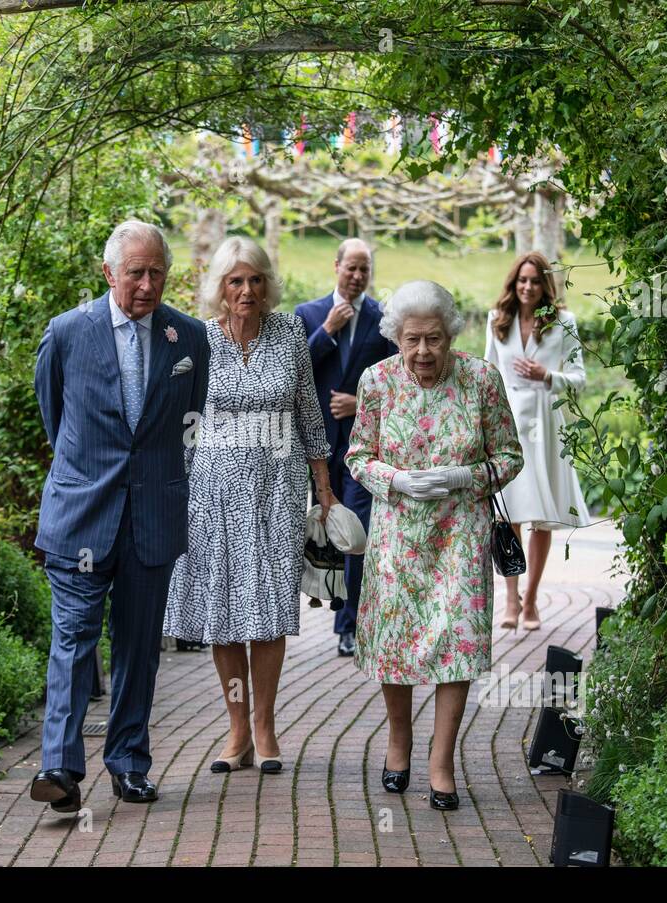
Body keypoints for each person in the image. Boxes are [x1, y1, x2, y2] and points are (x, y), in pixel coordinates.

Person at [30, 220, 209, 811]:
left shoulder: (189, 339)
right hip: (83, 514)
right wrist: (90, 474)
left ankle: (129, 763)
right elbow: (55, 420)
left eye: (158, 272)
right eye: (136, 272)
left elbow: (191, 419)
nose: (148, 284)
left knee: (138, 646)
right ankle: (59, 766)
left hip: (152, 517)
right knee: (74, 638)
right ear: (109, 273)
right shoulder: (65, 334)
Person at [346, 280, 522, 810]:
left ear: (451, 335)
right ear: (396, 336)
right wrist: (396, 480)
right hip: (397, 536)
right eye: (412, 339)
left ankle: (441, 763)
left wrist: (462, 477)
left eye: (435, 339)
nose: (423, 351)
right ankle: (398, 745)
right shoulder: (376, 382)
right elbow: (357, 456)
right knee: (396, 643)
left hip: (460, 536)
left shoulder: (481, 380)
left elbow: (510, 457)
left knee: (458, 644)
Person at [164, 236, 336, 774]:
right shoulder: (196, 339)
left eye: (256, 280)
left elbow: (309, 410)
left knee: (266, 613)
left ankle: (265, 725)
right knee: (221, 613)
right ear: (220, 287)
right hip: (211, 491)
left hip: (277, 491)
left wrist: (324, 486)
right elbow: (174, 416)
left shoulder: (289, 333)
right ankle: (237, 726)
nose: (246, 290)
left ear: (268, 285)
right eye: (236, 281)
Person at [295, 238, 397, 656]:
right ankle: (333, 610)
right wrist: (328, 331)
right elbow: (295, 369)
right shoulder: (309, 314)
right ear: (336, 266)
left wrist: (360, 403)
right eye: (350, 268)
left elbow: (395, 378)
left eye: (364, 270)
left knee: (356, 533)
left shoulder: (383, 317)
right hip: (317, 447)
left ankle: (349, 625)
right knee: (326, 533)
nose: (356, 276)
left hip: (362, 447)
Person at [482, 251, 591, 631]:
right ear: (514, 283)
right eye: (521, 280)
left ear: (546, 285)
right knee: (507, 514)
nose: (527, 287)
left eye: (534, 281)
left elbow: (579, 378)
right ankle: (510, 600)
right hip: (507, 423)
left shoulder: (565, 322)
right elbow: (487, 373)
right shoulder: (497, 321)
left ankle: (531, 600)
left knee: (541, 518)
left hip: (545, 424)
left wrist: (547, 375)